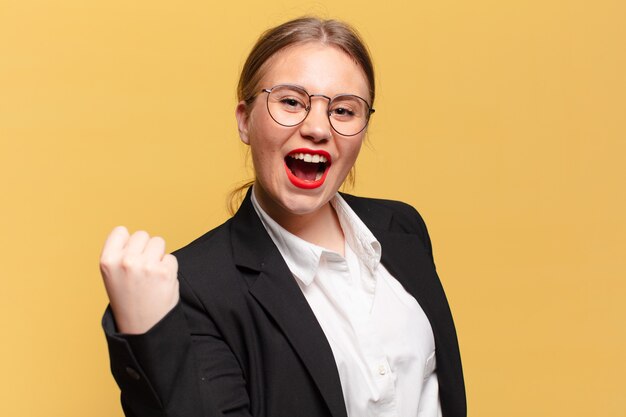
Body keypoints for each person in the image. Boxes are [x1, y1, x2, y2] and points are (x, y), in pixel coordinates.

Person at [99, 16, 466, 417]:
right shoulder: (197, 288)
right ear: (245, 119)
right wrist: (148, 333)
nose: (317, 128)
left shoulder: (403, 228)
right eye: (291, 102)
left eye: (344, 110)